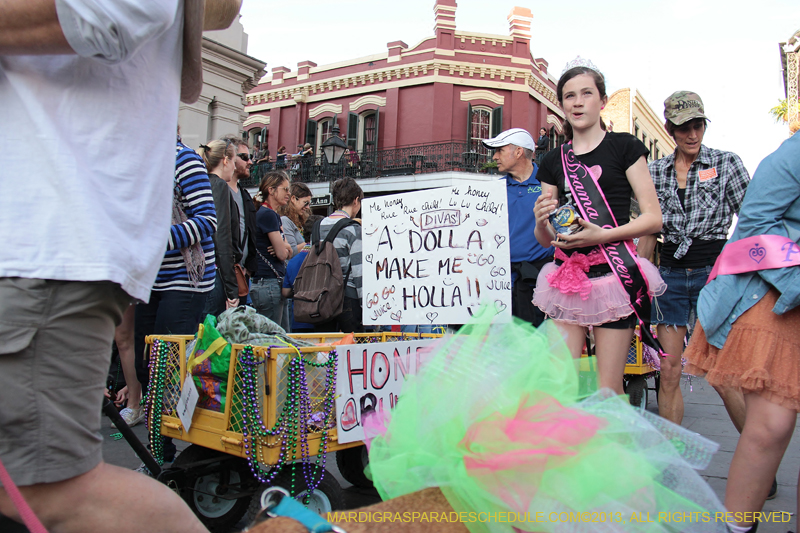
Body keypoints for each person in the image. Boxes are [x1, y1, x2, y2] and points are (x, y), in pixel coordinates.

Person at [0, 2, 240, 531]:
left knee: (48, 486)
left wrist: (157, 242)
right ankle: (148, 423)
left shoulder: (184, 162)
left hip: (171, 280)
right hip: (140, 278)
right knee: (148, 366)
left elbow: (206, 225)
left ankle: (167, 442)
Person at [682, 132, 800, 533]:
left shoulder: (727, 162)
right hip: (773, 290)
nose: (688, 131)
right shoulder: (793, 153)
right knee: (770, 425)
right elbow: (754, 225)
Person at [532, 59, 664, 394]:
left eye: (586, 93)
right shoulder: (551, 161)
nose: (577, 102)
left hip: (613, 274)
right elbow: (547, 238)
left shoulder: (625, 147)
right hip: (567, 276)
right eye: (569, 96)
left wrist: (602, 235)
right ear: (561, 105)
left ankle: (613, 445)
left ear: (602, 101)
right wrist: (540, 221)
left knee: (608, 389)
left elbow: (653, 217)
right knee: (558, 385)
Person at [637, 92, 750, 427]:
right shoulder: (654, 171)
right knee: (668, 369)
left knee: (721, 370)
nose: (692, 134)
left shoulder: (726, 163)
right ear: (670, 128)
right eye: (684, 127)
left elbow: (753, 217)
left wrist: (738, 271)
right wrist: (640, 278)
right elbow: (648, 229)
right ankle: (673, 457)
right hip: (669, 274)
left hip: (712, 273)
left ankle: (759, 459)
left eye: (698, 125)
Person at [481, 128, 554, 327]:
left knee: (533, 346)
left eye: (500, 150)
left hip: (537, 282)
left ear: (519, 152)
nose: (495, 156)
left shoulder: (549, 184)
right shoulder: (493, 191)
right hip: (498, 281)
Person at [314, 178, 364, 333]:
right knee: (353, 347)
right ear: (356, 200)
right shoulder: (353, 229)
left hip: (321, 295)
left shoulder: (318, 225)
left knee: (327, 349)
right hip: (347, 296)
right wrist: (365, 305)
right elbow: (358, 270)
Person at [200, 139, 240, 316]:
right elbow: (221, 234)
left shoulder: (202, 184)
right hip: (213, 274)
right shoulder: (218, 186)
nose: (235, 167)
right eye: (234, 161)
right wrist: (232, 288)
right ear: (225, 160)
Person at [252, 171, 293, 329]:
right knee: (274, 340)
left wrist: (283, 246)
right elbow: (283, 254)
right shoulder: (267, 215)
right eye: (285, 189)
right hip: (268, 283)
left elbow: (288, 250)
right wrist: (283, 247)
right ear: (271, 190)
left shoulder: (271, 214)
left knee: (280, 336)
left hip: (269, 283)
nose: (288, 193)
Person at [223, 136, 258, 282]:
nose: (249, 162)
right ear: (229, 158)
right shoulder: (218, 190)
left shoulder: (245, 195)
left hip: (242, 274)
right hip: (223, 273)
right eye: (244, 157)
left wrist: (249, 268)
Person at [282, 215, 324, 333]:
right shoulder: (325, 258)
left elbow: (285, 292)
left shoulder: (294, 261)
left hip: (298, 319)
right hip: (321, 317)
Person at [279, 182, 313, 255]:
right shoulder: (284, 221)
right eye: (305, 203)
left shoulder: (300, 221)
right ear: (293, 199)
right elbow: (292, 251)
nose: (307, 207)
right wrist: (312, 241)